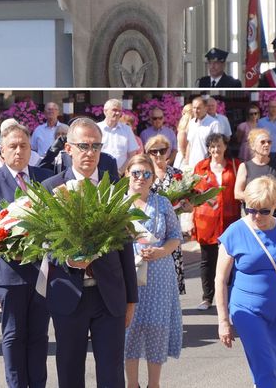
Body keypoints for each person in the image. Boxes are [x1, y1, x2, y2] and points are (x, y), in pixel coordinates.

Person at [41, 118, 135, 388]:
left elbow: (125, 246)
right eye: (83, 146)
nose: (90, 152)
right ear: (68, 149)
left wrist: (131, 299)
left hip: (109, 295)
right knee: (70, 371)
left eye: (96, 146)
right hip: (68, 293)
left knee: (111, 373)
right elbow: (43, 242)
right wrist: (67, 259)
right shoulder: (50, 188)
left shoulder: (113, 187)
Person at [216, 176, 276, 387]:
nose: (256, 216)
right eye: (251, 209)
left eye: (264, 211)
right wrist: (223, 321)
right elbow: (220, 280)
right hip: (247, 311)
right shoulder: (235, 232)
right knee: (266, 370)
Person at [0, 122, 51, 388]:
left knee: (39, 335)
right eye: (13, 146)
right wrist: (14, 245)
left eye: (23, 146)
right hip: (11, 272)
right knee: (14, 335)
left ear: (31, 149)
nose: (19, 151)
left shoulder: (45, 177)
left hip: (42, 271)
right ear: (2, 150)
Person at [122, 154, 183, 388]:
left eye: (146, 173)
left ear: (152, 178)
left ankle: (154, 384)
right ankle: (132, 384)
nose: (141, 178)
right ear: (127, 174)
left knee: (156, 329)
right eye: (136, 173)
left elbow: (175, 237)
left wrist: (161, 251)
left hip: (159, 273)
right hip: (128, 274)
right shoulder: (118, 205)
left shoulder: (162, 203)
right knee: (129, 330)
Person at [190, 133, 241, 311]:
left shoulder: (235, 165)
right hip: (206, 221)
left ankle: (230, 296)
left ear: (225, 146)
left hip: (230, 219)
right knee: (207, 260)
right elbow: (194, 193)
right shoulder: (201, 167)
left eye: (219, 145)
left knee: (231, 259)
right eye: (212, 146)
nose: (216, 149)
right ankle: (207, 298)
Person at [146, 133, 190, 297]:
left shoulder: (177, 174)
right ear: (148, 153)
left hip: (171, 230)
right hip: (151, 229)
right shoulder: (145, 175)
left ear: (168, 151)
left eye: (162, 150)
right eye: (154, 151)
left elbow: (188, 203)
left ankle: (172, 303)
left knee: (173, 268)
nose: (158, 155)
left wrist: (187, 207)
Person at [235, 128, 276, 222]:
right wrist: (258, 201)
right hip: (251, 218)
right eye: (262, 142)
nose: (267, 145)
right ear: (253, 146)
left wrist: (269, 201)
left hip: (273, 217)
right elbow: (237, 193)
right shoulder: (244, 166)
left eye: (269, 142)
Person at [181, 96, 222, 172]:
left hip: (207, 167)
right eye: (194, 108)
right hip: (192, 167)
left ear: (206, 108)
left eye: (198, 108)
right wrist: (186, 164)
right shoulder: (191, 123)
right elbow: (189, 145)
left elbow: (217, 147)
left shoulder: (214, 124)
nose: (195, 111)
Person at [98, 98, 141, 165]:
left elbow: (132, 154)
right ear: (105, 111)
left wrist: (122, 169)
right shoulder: (96, 128)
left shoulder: (127, 130)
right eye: (114, 110)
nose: (118, 113)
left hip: (122, 170)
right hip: (100, 170)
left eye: (119, 111)